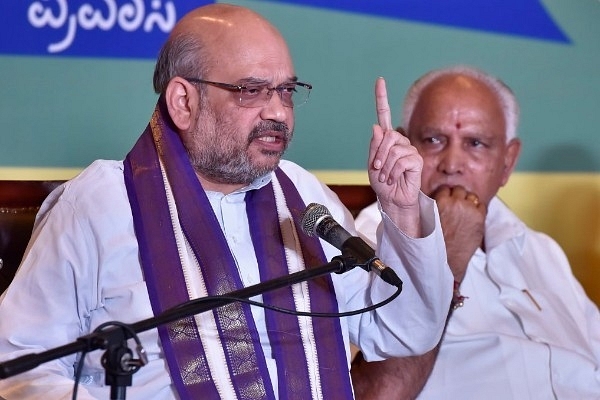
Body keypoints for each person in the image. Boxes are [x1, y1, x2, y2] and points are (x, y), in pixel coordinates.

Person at [0, 4, 453, 399]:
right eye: (251, 91)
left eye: (286, 91)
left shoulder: (305, 197)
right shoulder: (101, 203)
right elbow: (19, 365)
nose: (277, 111)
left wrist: (403, 213)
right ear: (183, 101)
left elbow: (402, 331)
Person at [350, 65, 600, 399]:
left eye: (476, 143)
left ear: (507, 163)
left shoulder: (541, 250)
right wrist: (446, 255)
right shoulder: (359, 245)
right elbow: (376, 395)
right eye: (434, 140)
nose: (452, 163)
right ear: (403, 146)